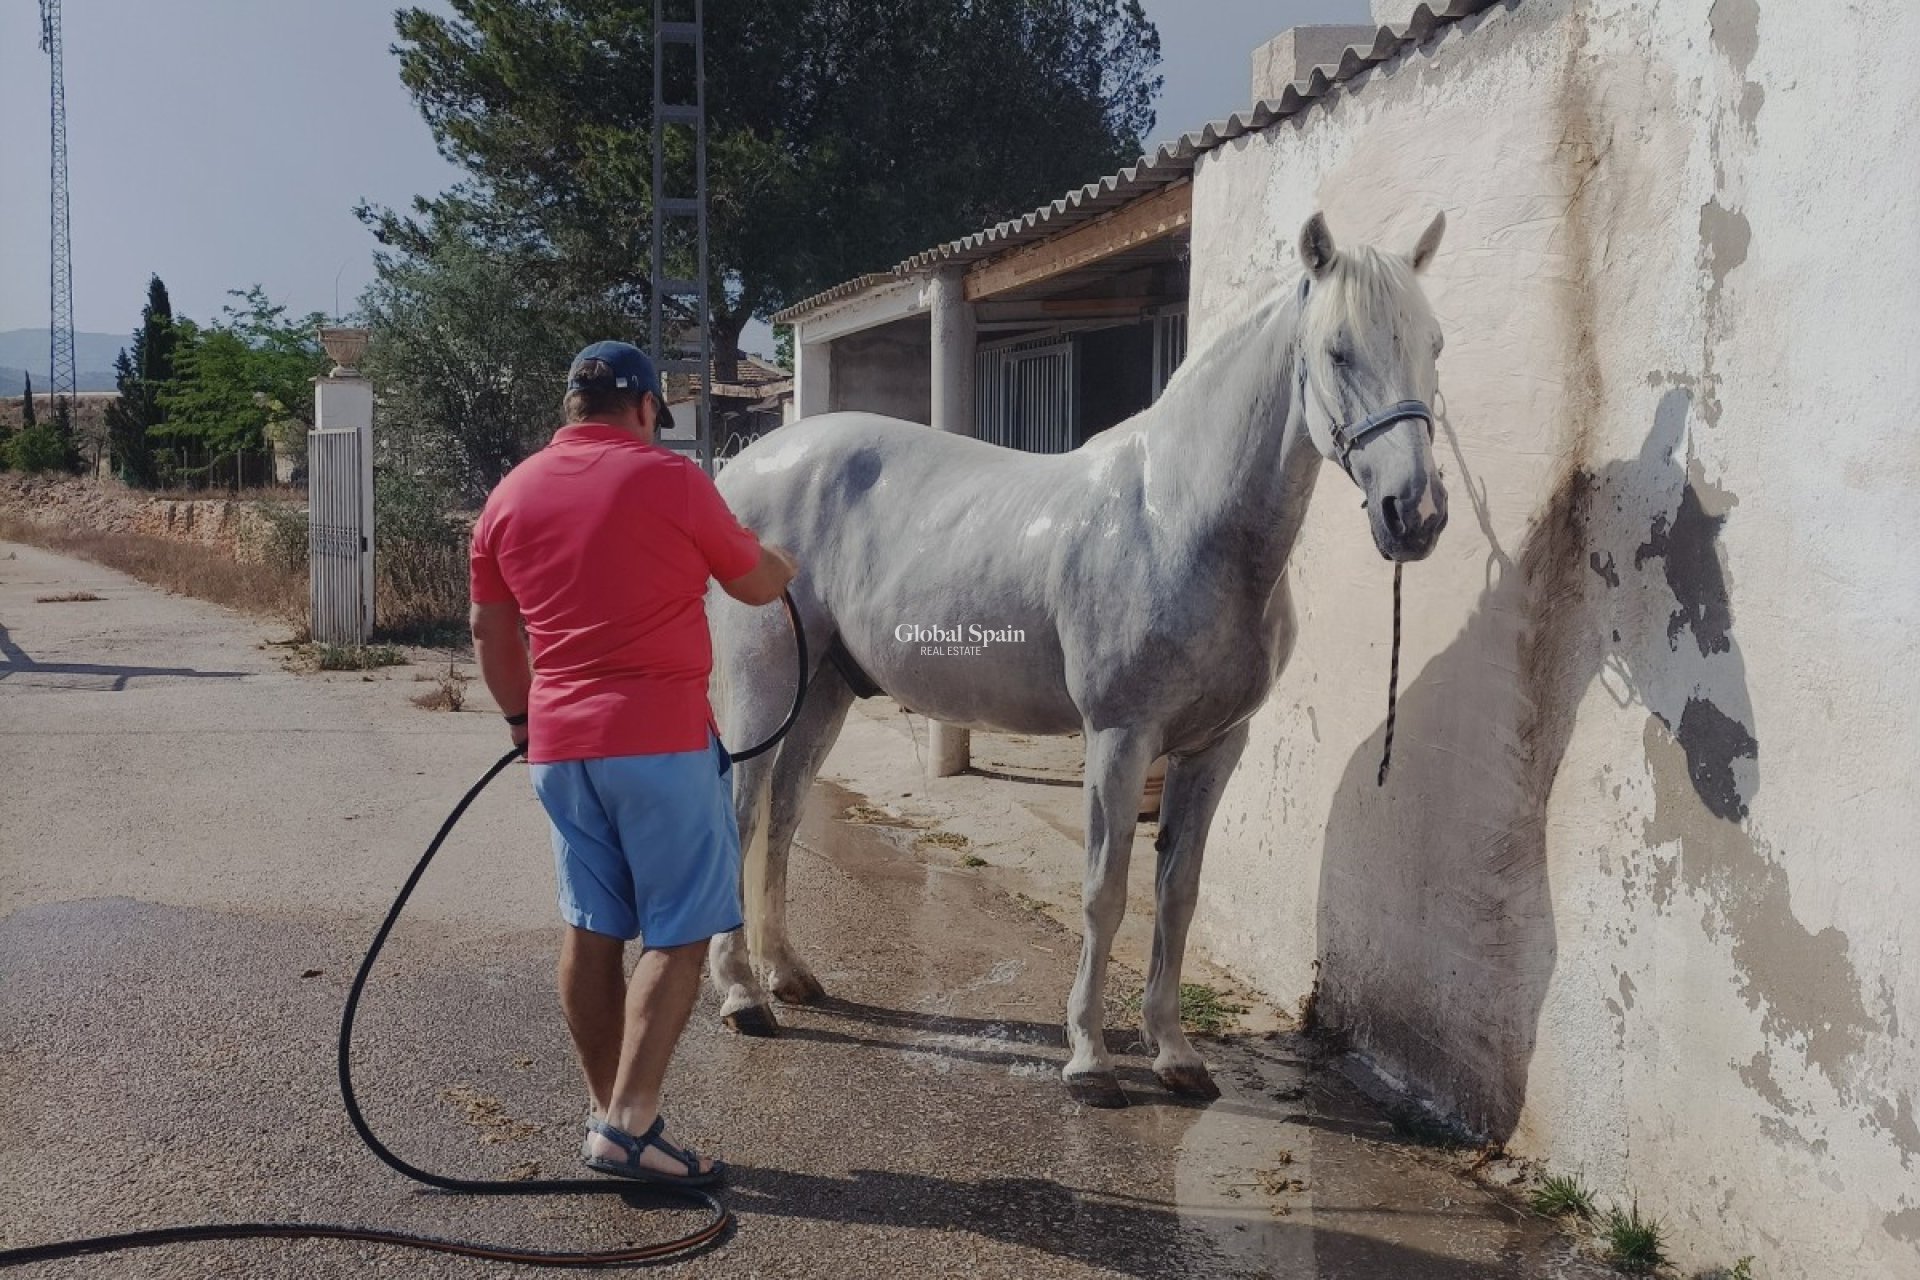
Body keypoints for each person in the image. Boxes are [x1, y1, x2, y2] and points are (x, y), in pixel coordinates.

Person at [468, 340, 797, 1185]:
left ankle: (609, 1118)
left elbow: (490, 631)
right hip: (659, 742)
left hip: (558, 749)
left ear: (573, 407)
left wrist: (519, 720)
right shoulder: (673, 481)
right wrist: (783, 558)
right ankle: (633, 1122)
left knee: (590, 926)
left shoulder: (508, 496)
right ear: (648, 408)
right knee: (682, 930)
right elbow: (758, 586)